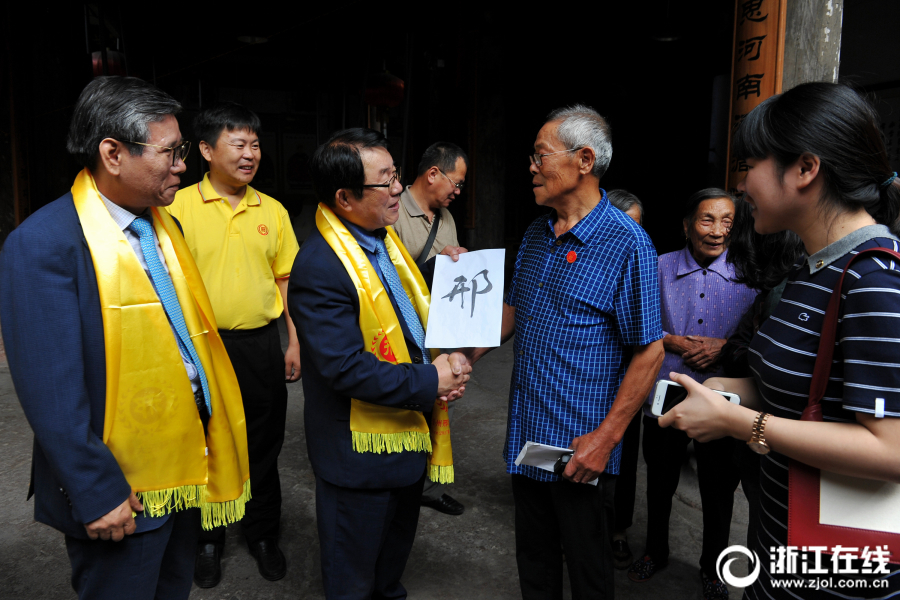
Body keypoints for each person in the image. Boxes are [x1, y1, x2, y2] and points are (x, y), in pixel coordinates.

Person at [0, 76, 250, 600]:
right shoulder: (44, 246)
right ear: (113, 153)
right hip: (121, 493)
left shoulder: (164, 227)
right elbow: (52, 393)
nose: (183, 165)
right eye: (170, 152)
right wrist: (96, 492)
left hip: (183, 464)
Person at [660, 82, 900, 599]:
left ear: (805, 169)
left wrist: (736, 421)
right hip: (779, 547)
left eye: (750, 165)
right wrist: (731, 388)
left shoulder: (876, 279)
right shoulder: (812, 269)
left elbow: (890, 450)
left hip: (836, 576)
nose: (741, 186)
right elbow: (812, 391)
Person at [461, 105, 665, 600]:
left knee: (588, 570)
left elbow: (650, 352)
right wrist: (462, 354)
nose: (530, 166)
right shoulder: (535, 234)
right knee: (534, 562)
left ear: (584, 160)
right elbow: (512, 312)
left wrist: (606, 439)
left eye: (540, 155)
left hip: (580, 448)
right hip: (529, 437)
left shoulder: (627, 243)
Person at [288, 127, 471, 598]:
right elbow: (343, 367)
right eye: (385, 181)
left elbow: (394, 308)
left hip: (406, 442)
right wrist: (431, 378)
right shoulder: (320, 266)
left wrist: (437, 269)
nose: (397, 189)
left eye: (395, 174)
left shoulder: (382, 241)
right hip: (359, 458)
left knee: (388, 571)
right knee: (353, 579)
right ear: (344, 198)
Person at [166, 102, 300, 587]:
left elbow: (287, 284)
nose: (250, 154)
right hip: (201, 347)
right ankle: (208, 539)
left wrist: (294, 343)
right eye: (238, 144)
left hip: (262, 343)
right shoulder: (175, 207)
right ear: (205, 150)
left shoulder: (274, 211)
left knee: (264, 442)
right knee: (206, 444)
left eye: (255, 145)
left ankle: (263, 534)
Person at [627, 189, 756, 600]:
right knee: (660, 480)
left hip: (723, 402)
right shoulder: (659, 267)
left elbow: (757, 338)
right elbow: (637, 324)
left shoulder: (749, 275)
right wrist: (677, 343)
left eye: (727, 223)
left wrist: (724, 346)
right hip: (667, 392)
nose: (717, 232)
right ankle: (655, 551)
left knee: (718, 489)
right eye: (707, 220)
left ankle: (712, 568)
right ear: (686, 225)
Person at [392, 141, 469, 516]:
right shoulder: (393, 210)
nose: (457, 191)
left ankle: (426, 483)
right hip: (395, 331)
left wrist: (458, 263)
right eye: (455, 182)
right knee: (398, 403)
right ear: (433, 174)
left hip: (434, 329)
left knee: (435, 402)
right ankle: (397, 481)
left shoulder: (446, 218)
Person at [605, 189, 645, 569]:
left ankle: (618, 530)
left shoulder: (642, 264)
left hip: (629, 382)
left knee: (625, 460)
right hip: (593, 384)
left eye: (638, 228)